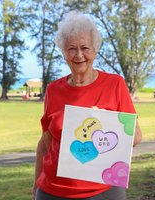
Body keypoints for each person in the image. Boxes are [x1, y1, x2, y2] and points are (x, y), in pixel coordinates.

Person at [32, 11, 142, 200]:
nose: (79, 55)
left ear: (95, 50)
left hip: (104, 191)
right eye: (72, 49)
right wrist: (36, 185)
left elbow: (136, 137)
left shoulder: (115, 84)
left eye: (85, 47)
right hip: (53, 191)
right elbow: (45, 143)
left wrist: (106, 123)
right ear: (64, 52)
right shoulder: (53, 89)